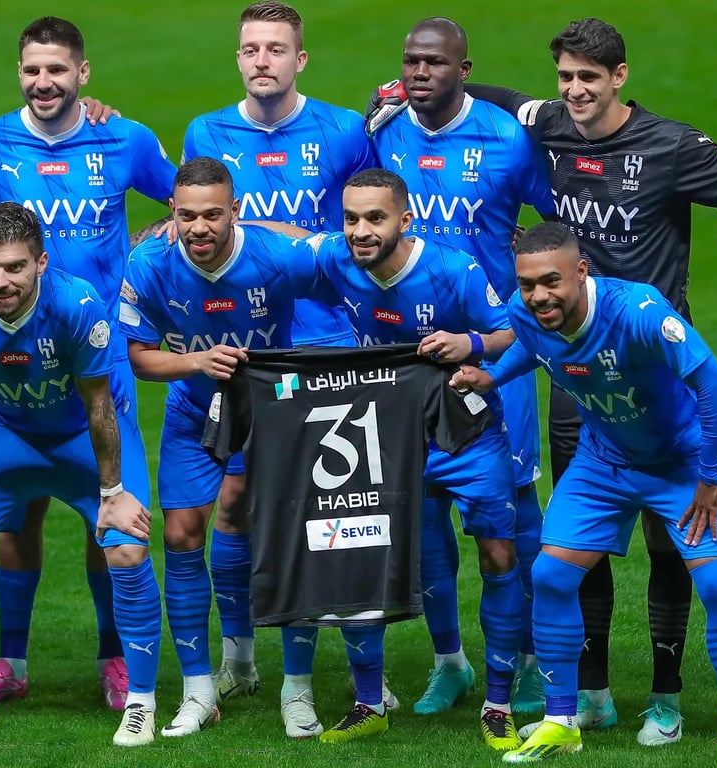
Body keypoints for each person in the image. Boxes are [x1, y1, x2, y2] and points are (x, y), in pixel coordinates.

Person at [373, 16, 717, 743]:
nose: (576, 90)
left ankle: (667, 696)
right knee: (580, 536)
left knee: (671, 542)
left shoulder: (672, 147)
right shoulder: (548, 124)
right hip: (575, 366)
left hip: (659, 372)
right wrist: (406, 88)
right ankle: (590, 692)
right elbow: (491, 93)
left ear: (620, 77)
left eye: (590, 77)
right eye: (567, 77)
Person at [0, 16, 175, 710]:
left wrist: (149, 241)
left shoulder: (123, 137)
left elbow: (184, 201)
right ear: (19, 73)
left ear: (82, 74)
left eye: (58, 70)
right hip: (11, 370)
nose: (44, 82)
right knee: (17, 518)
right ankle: (10, 661)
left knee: (108, 520)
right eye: (33, 70)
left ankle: (114, 659)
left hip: (95, 364)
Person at [451, 222, 717, 767]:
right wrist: (493, 377)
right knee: (550, 575)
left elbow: (715, 384)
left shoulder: (638, 311)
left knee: (716, 583)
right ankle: (561, 723)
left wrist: (711, 479)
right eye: (527, 284)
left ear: (581, 271)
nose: (538, 296)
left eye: (551, 281)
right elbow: (534, 346)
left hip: (682, 465)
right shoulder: (526, 312)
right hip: (604, 463)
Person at [266, 168, 525, 748]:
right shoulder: (338, 258)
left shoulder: (453, 269)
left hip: (466, 435)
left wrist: (471, 343)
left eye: (375, 218)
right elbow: (279, 241)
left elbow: (513, 330)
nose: (361, 231)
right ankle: (370, 701)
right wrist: (206, 228)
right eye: (351, 219)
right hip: (385, 435)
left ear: (405, 220)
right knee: (362, 554)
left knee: (498, 554)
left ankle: (499, 703)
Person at [181, 0, 377, 728]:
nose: (261, 59)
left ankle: (346, 675)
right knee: (233, 502)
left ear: (300, 59)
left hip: (323, 343)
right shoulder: (205, 132)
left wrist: (268, 232)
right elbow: (194, 224)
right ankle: (240, 657)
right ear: (238, 58)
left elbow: (365, 222)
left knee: (325, 513)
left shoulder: (344, 131)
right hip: (241, 346)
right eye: (250, 48)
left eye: (275, 48)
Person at [367, 16, 553, 719]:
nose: (420, 73)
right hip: (409, 358)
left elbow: (558, 224)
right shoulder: (384, 134)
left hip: (492, 352)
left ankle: (527, 662)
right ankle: (450, 663)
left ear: (464, 69)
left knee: (515, 513)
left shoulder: (507, 140)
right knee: (424, 519)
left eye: (435, 63)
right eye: (410, 61)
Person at [118, 156, 340, 739]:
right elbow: (139, 357)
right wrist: (196, 362)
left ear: (235, 211)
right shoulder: (149, 263)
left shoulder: (275, 255)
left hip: (275, 413)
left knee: (291, 538)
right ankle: (201, 689)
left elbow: (348, 270)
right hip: (195, 412)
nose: (199, 228)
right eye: (187, 215)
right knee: (180, 535)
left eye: (213, 215)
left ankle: (297, 690)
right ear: (171, 211)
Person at [0, 202, 152, 742]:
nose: (0, 281)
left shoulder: (77, 304)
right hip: (7, 433)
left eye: (15, 267)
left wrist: (113, 492)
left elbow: (99, 405)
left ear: (41, 262)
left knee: (126, 544)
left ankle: (141, 699)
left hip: (81, 434)